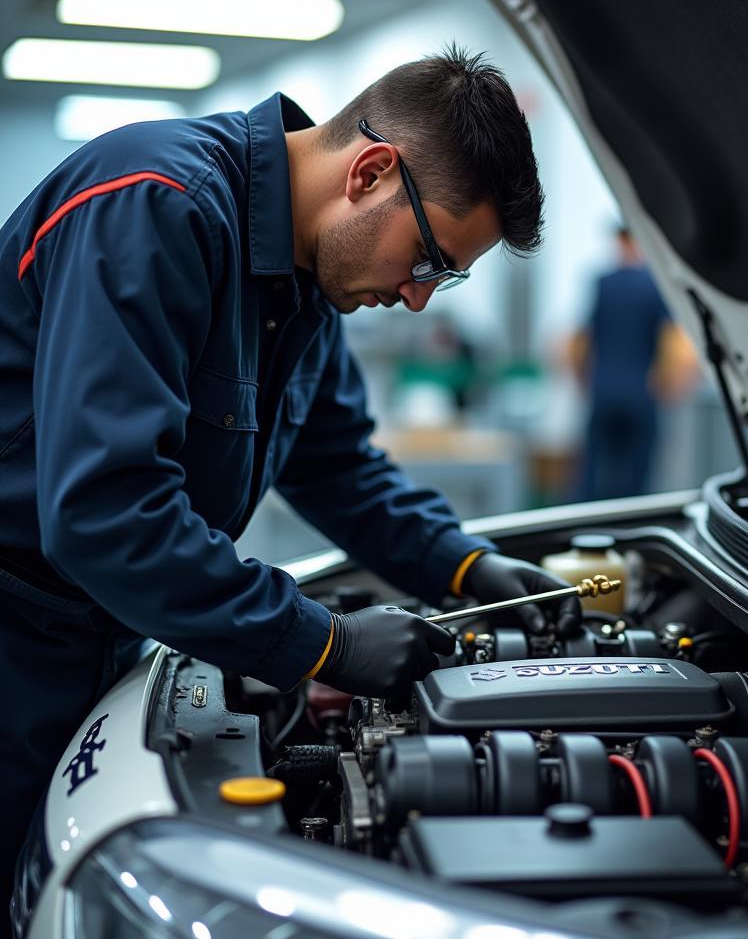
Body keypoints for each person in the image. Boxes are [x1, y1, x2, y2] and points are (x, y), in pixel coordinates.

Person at [0, 46, 579, 928]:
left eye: (445, 277)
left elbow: (336, 464)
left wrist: (465, 569)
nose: (421, 300)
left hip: (98, 626)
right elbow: (105, 513)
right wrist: (324, 643)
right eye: (428, 261)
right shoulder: (158, 206)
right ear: (372, 172)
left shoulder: (309, 283)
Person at [568, 227, 699, 500]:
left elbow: (582, 340)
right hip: (641, 393)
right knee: (637, 478)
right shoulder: (654, 284)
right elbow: (671, 342)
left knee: (592, 474)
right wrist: (670, 384)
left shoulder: (603, 283)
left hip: (603, 391)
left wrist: (583, 381)